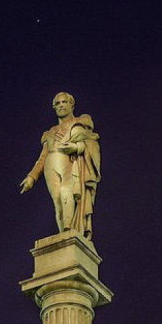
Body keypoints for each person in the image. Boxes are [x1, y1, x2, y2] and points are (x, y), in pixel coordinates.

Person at [19, 92, 100, 238]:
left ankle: (70, 230)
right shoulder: (50, 133)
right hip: (50, 164)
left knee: (66, 191)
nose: (61, 105)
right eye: (57, 103)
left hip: (69, 162)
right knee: (58, 203)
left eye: (64, 102)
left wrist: (77, 148)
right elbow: (43, 157)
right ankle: (63, 233)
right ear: (54, 108)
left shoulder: (80, 123)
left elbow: (91, 144)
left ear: (71, 105)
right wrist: (32, 176)